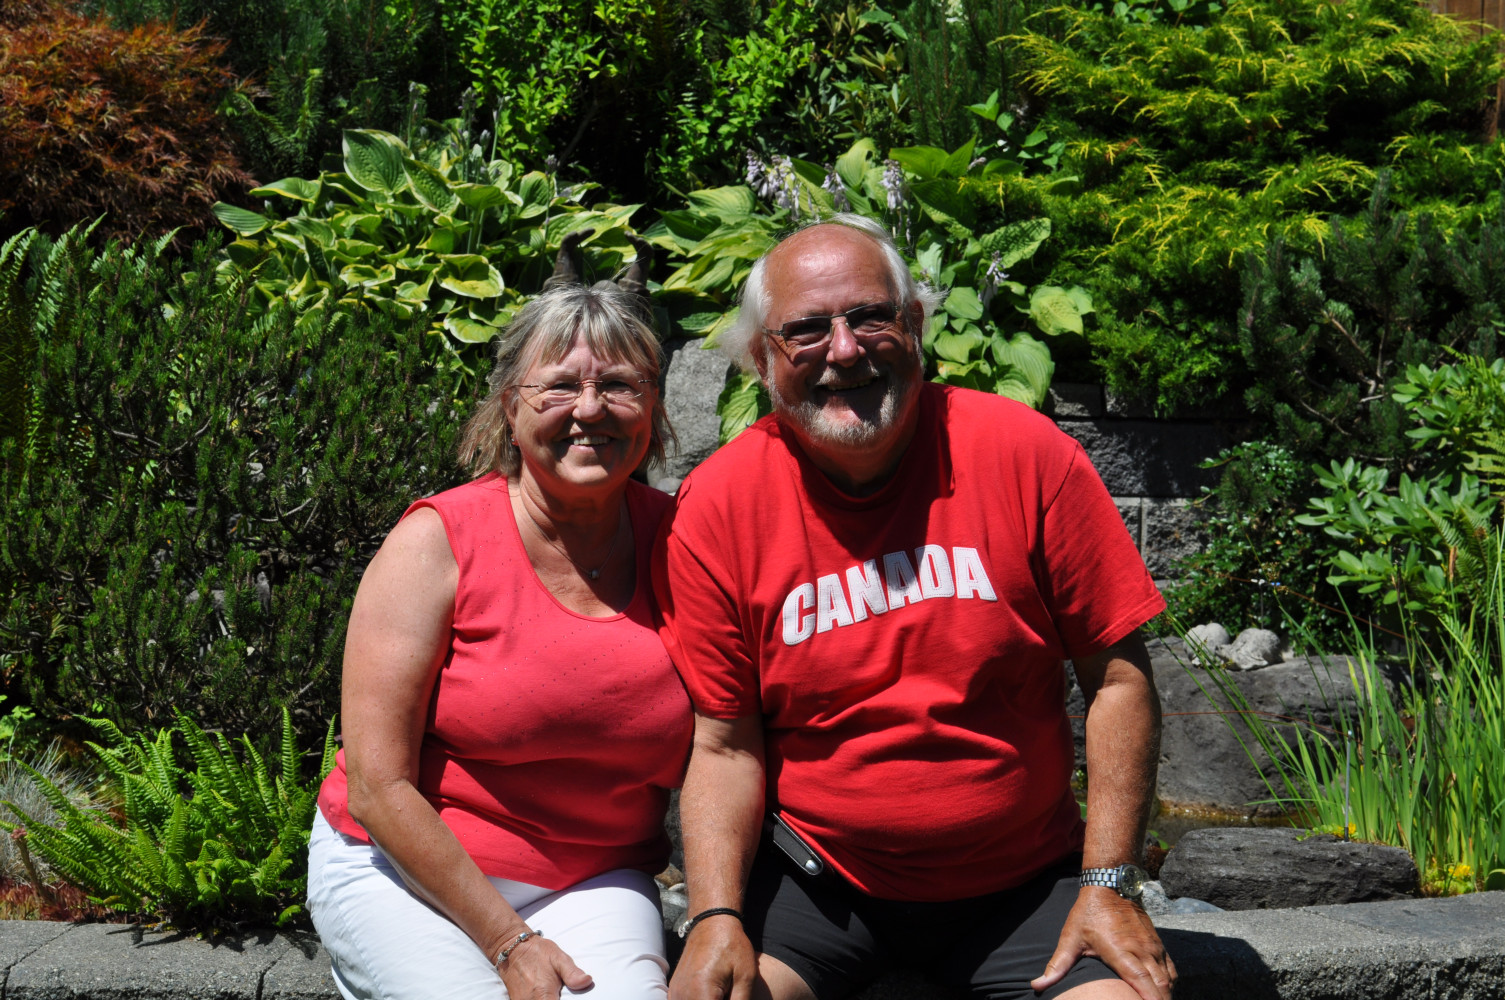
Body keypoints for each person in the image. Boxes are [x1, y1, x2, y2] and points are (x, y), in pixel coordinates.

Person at [652, 215, 1175, 1000]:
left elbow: (1118, 681)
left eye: (870, 316)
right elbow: (725, 743)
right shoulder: (721, 504)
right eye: (805, 330)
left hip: (1022, 886)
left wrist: (1108, 882)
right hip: (817, 884)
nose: (844, 349)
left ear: (915, 324)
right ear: (762, 359)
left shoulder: (1023, 453)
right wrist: (715, 913)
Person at [307, 260, 692, 1000]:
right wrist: (508, 942)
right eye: (559, 386)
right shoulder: (436, 542)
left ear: (652, 409)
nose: (590, 409)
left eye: (618, 386)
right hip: (405, 869)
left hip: (596, 876)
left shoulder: (684, 544)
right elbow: (377, 786)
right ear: (510, 408)